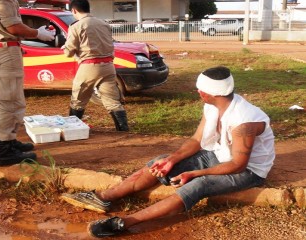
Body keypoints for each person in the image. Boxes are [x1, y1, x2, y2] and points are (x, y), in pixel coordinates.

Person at [60, 66, 276, 238]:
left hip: (248, 170)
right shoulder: (212, 106)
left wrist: (194, 174)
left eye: (201, 90)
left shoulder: (244, 121)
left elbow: (238, 164)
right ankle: (104, 197)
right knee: (161, 162)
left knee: (199, 184)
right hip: (218, 155)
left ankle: (125, 223)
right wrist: (171, 160)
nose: (198, 92)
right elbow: (196, 140)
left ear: (210, 93)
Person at [0, 0, 55, 166]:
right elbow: (13, 27)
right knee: (11, 100)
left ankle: (9, 141)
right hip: (4, 48)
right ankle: (4, 150)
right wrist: (38, 33)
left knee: (12, 98)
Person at [63, 0, 129, 131]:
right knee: (112, 100)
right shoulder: (103, 23)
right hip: (108, 65)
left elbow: (69, 53)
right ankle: (123, 129)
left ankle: (72, 129)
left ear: (74, 11)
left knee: (78, 100)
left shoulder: (76, 26)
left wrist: (65, 48)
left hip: (89, 66)